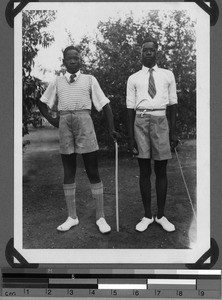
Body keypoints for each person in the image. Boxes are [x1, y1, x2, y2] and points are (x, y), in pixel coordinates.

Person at [38, 45, 118, 234]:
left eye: (76, 58)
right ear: (64, 61)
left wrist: (112, 128)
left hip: (84, 121)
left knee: (92, 169)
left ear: (80, 60)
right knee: (69, 170)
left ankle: (100, 217)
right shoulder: (57, 81)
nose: (73, 61)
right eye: (69, 58)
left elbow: (105, 104)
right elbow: (42, 102)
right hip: (65, 122)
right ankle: (72, 217)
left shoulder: (90, 79)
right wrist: (52, 119)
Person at [126, 36, 178, 232]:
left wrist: (173, 132)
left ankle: (162, 215)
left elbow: (173, 104)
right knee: (144, 170)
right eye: (144, 50)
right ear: (140, 53)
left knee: (162, 170)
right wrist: (131, 138)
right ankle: (147, 215)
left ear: (157, 52)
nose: (148, 53)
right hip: (140, 121)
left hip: (160, 121)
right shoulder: (133, 78)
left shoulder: (167, 75)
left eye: (151, 50)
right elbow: (129, 108)